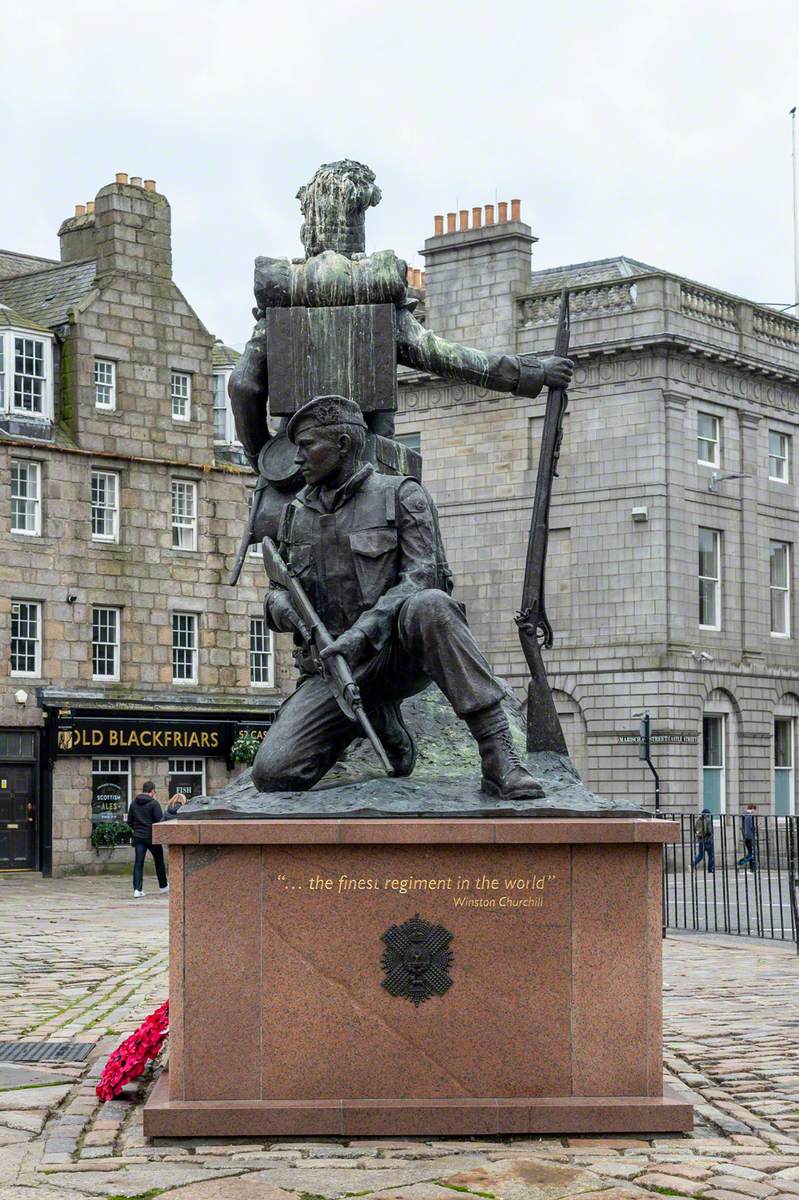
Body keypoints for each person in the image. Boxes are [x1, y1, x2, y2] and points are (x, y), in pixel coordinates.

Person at [252, 393, 545, 802]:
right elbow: (277, 589)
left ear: (344, 443)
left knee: (432, 605)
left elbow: (423, 576)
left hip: (395, 652)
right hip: (333, 665)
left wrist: (363, 632)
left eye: (307, 446)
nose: (297, 459)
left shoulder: (402, 495)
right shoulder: (294, 514)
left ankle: (499, 757)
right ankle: (373, 717)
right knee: (274, 774)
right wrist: (282, 610)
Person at [126, 781, 168, 898]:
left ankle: (137, 890)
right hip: (152, 837)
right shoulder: (154, 804)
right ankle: (163, 886)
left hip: (139, 837)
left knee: (138, 863)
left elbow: (129, 821)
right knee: (159, 861)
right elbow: (160, 820)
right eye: (154, 791)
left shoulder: (133, 804)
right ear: (152, 791)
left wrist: (137, 829)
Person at [693, 807, 715, 873]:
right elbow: (710, 831)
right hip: (708, 841)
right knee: (711, 855)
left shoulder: (699, 820)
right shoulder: (708, 820)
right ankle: (710, 869)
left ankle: (692, 864)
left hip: (701, 840)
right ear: (708, 814)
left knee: (700, 855)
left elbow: (696, 830)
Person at [738, 804, 757, 871]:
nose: (754, 812)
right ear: (752, 808)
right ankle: (740, 862)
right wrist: (755, 828)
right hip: (749, 836)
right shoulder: (749, 815)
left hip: (745, 836)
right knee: (751, 853)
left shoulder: (744, 815)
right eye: (754, 809)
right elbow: (751, 827)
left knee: (750, 852)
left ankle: (752, 867)